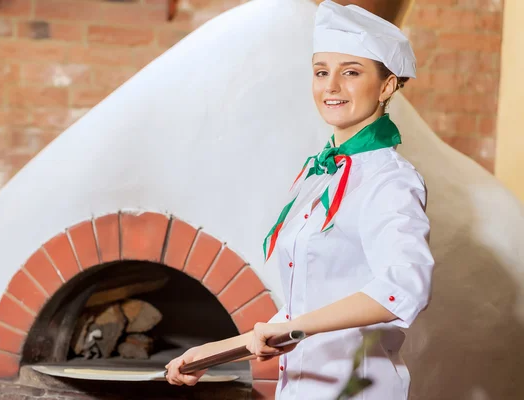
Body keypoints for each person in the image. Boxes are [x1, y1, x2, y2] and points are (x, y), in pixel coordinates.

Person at [165, 1, 435, 398]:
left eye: (351, 72)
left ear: (387, 85)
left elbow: (405, 286)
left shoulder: (389, 180)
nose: (331, 86)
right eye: (321, 72)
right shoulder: (320, 176)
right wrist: (210, 353)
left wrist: (293, 329)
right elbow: (303, 310)